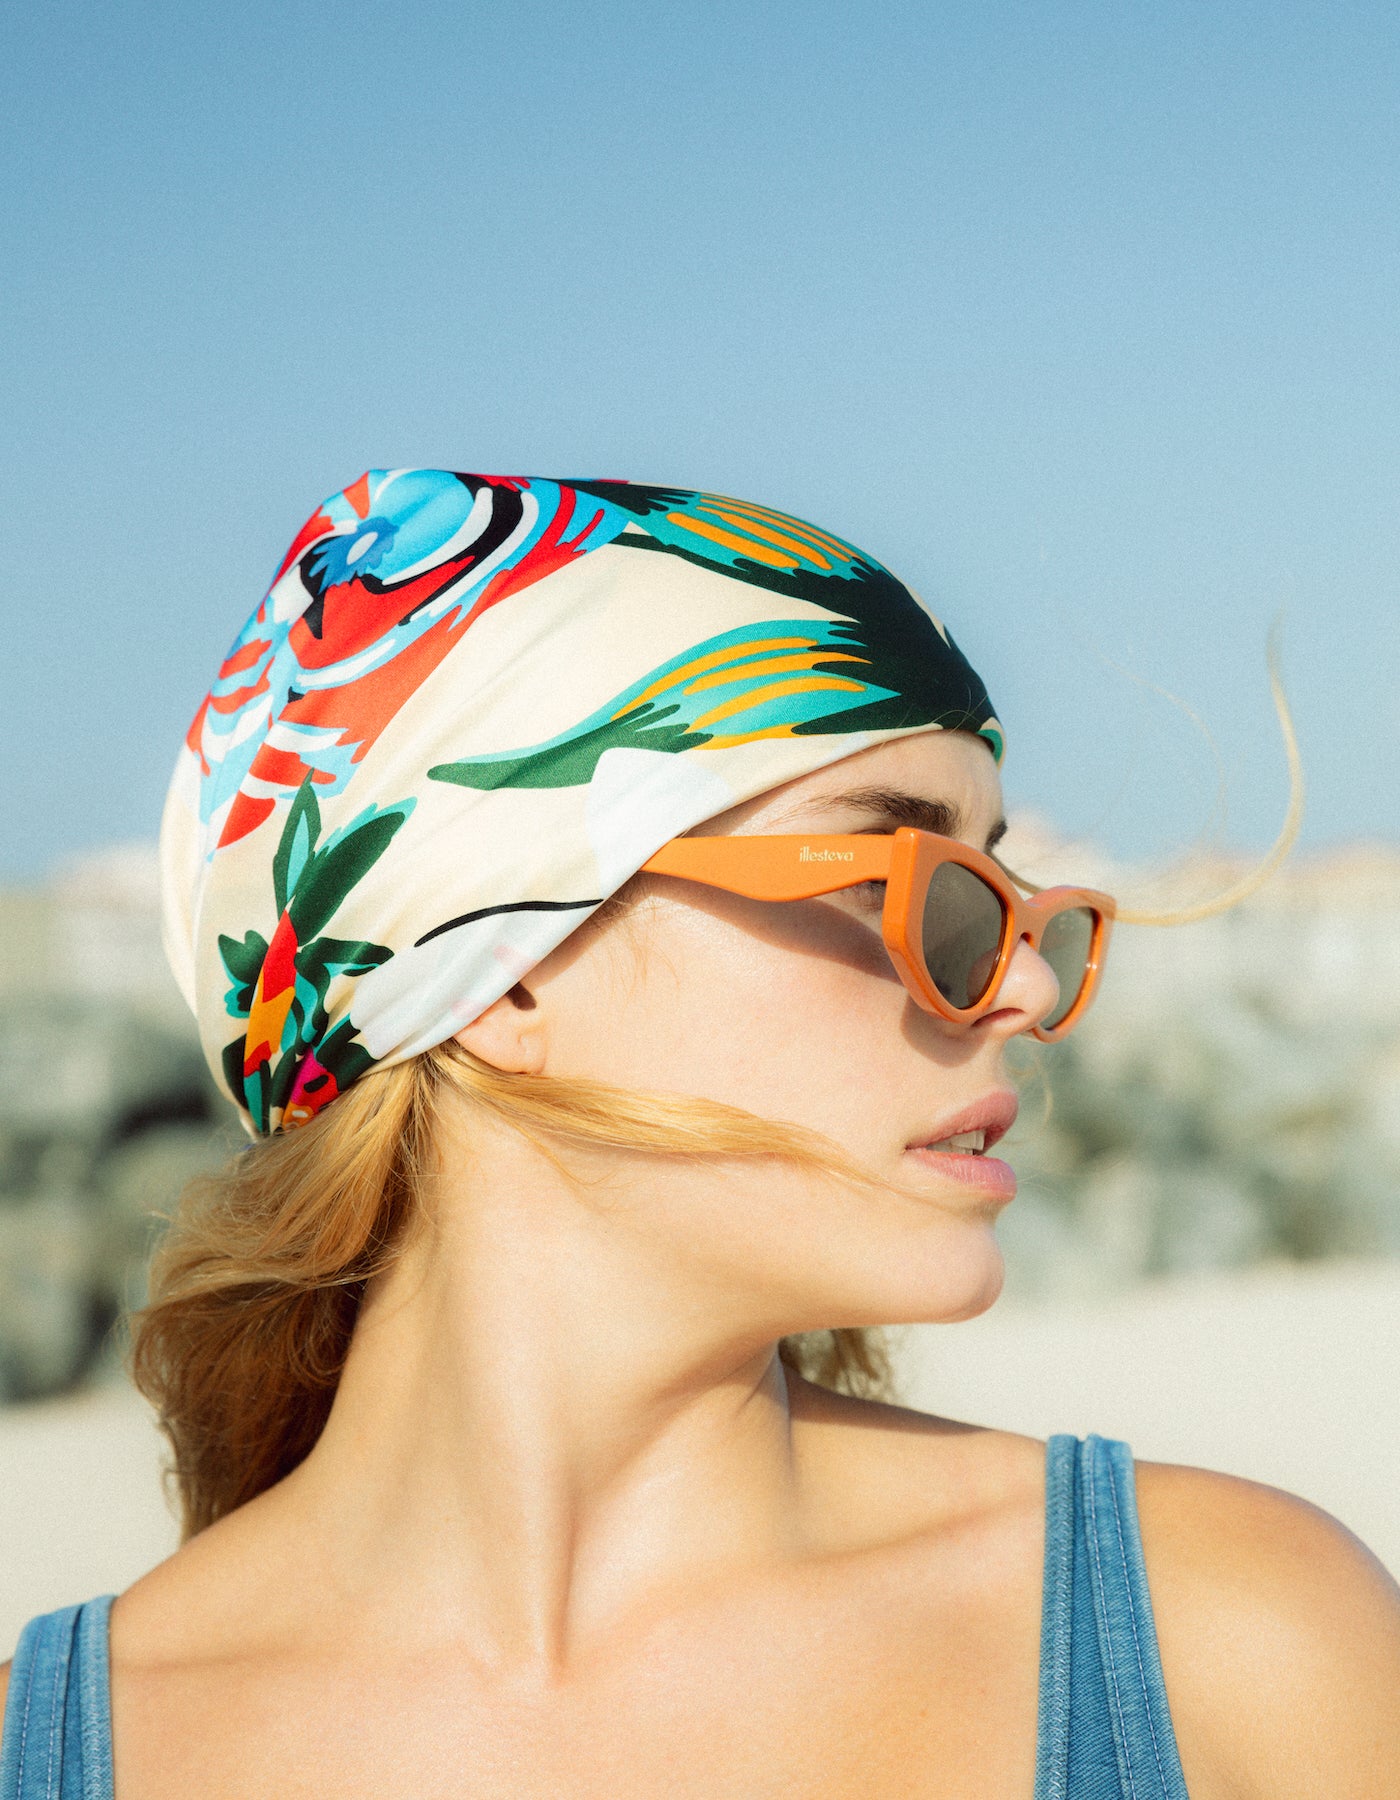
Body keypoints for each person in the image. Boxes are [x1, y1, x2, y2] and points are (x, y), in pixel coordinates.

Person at [2, 473, 1396, 1799]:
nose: (1022, 983)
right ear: (508, 969)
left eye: (1011, 901)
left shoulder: (1232, 1640)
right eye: (902, 881)